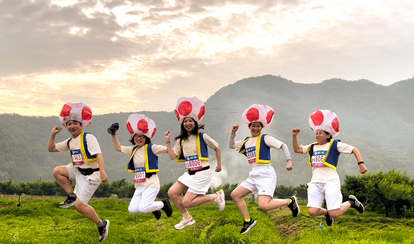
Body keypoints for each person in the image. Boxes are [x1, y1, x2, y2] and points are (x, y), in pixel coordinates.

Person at [229, 104, 300, 234]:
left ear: (262, 127)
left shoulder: (265, 138)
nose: (255, 128)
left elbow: (282, 145)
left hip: (266, 173)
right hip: (254, 173)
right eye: (253, 125)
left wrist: (289, 160)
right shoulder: (246, 141)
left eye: (258, 126)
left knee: (264, 205)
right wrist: (233, 133)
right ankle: (248, 221)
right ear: (249, 127)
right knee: (235, 194)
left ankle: (290, 201)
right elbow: (231, 145)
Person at [292, 109, 367, 226]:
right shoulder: (312, 146)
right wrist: (294, 136)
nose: (317, 135)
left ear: (328, 135)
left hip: (330, 182)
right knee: (312, 211)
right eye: (316, 133)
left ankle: (351, 202)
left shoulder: (334, 145)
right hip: (315, 182)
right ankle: (326, 213)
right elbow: (297, 149)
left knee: (335, 214)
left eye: (320, 133)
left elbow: (354, 149)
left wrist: (361, 163)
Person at [48, 102, 110, 242]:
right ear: (66, 126)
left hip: (92, 174)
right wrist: (53, 134)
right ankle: (71, 195)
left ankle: (102, 224)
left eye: (75, 123)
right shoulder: (71, 141)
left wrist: (102, 172)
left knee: (80, 206)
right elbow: (51, 149)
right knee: (58, 171)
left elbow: (99, 155)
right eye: (69, 124)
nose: (72, 126)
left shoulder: (88, 138)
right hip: (78, 170)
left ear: (81, 124)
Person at [164, 96, 225, 230]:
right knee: (172, 192)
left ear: (195, 122)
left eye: (190, 121)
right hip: (190, 173)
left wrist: (219, 165)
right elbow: (172, 156)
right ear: (182, 123)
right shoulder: (180, 140)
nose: (188, 123)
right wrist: (168, 141)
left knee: (186, 202)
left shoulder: (202, 136)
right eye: (185, 121)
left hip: (202, 173)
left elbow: (217, 148)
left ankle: (215, 196)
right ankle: (187, 218)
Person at [107, 114, 173, 220]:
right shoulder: (133, 150)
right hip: (139, 185)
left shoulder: (152, 148)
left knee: (143, 208)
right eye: (136, 136)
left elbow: (168, 151)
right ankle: (154, 209)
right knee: (132, 209)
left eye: (141, 136)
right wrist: (113, 134)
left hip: (151, 183)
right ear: (133, 138)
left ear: (146, 137)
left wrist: (168, 141)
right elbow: (119, 148)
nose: (138, 138)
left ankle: (163, 204)